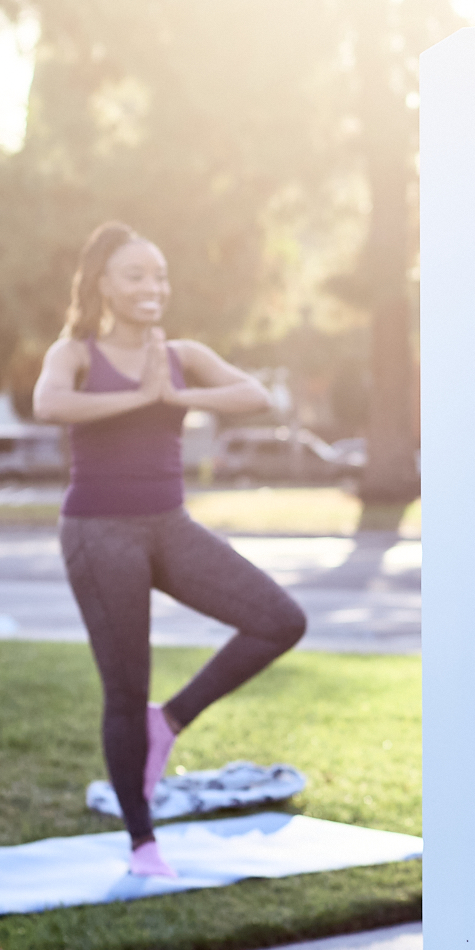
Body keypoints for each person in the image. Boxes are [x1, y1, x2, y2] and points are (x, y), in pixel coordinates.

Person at [33, 222, 307, 877]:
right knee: (125, 689)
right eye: (136, 275)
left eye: (159, 275)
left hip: (169, 526)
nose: (152, 287)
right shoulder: (74, 353)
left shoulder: (182, 355)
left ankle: (173, 720)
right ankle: (142, 844)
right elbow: (49, 404)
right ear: (103, 284)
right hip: (100, 533)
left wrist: (176, 395)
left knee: (279, 620)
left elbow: (256, 395)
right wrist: (138, 397)